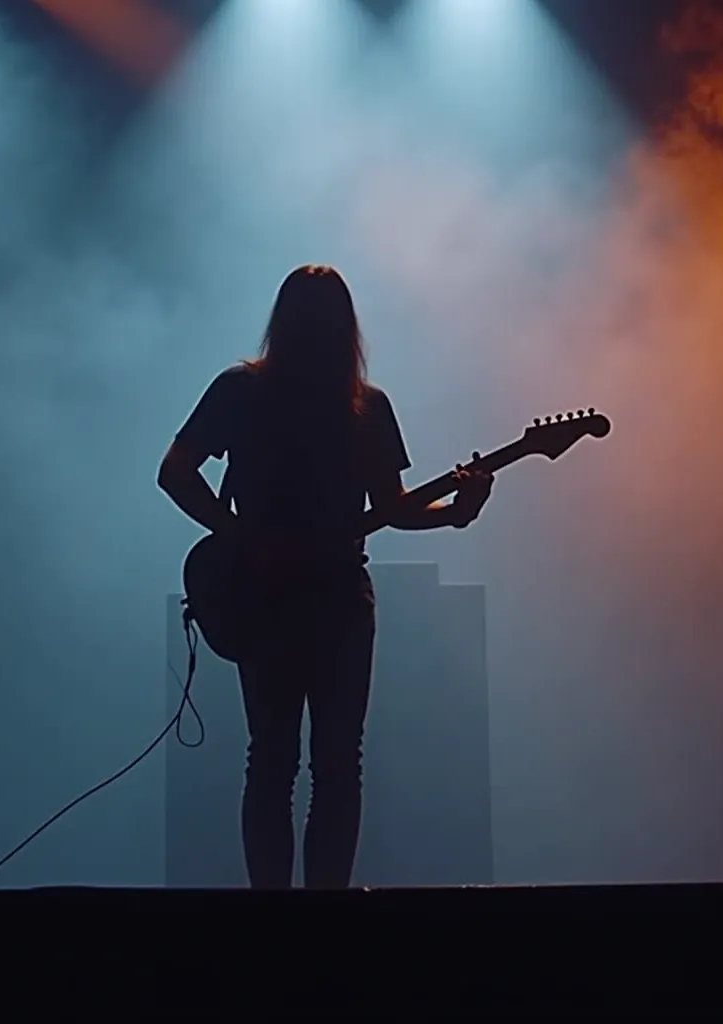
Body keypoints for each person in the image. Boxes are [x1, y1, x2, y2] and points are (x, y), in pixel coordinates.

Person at [156, 264, 494, 890]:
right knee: (320, 764)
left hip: (323, 596)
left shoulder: (344, 404)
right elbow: (175, 470)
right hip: (297, 598)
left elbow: (389, 508)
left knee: (286, 762)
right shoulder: (258, 392)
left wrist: (458, 511)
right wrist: (241, 535)